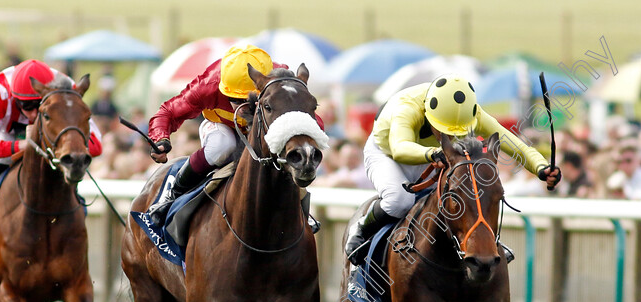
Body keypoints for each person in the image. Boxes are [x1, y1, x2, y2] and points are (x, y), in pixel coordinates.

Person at [345, 75, 561, 264]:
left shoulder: (470, 111)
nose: (447, 136)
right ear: (428, 113)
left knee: (469, 192)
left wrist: (541, 167)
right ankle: (362, 230)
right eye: (443, 130)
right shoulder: (406, 107)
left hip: (433, 155)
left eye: (455, 132)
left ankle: (485, 244)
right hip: (388, 155)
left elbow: (513, 143)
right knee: (399, 201)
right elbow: (400, 148)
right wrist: (433, 154)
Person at [146, 44, 307, 226]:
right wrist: (160, 138)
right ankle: (173, 193)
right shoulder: (209, 84)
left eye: (247, 101)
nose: (241, 107)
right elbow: (168, 111)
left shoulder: (281, 82)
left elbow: (310, 117)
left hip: (262, 131)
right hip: (220, 126)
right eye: (234, 99)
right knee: (223, 145)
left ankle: (302, 214)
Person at [0, 59, 103, 206]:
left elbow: (96, 145)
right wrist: (24, 144)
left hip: (50, 139)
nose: (33, 114)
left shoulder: (66, 89)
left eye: (38, 104)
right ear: (15, 98)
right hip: (6, 137)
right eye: (26, 105)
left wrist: (69, 147)